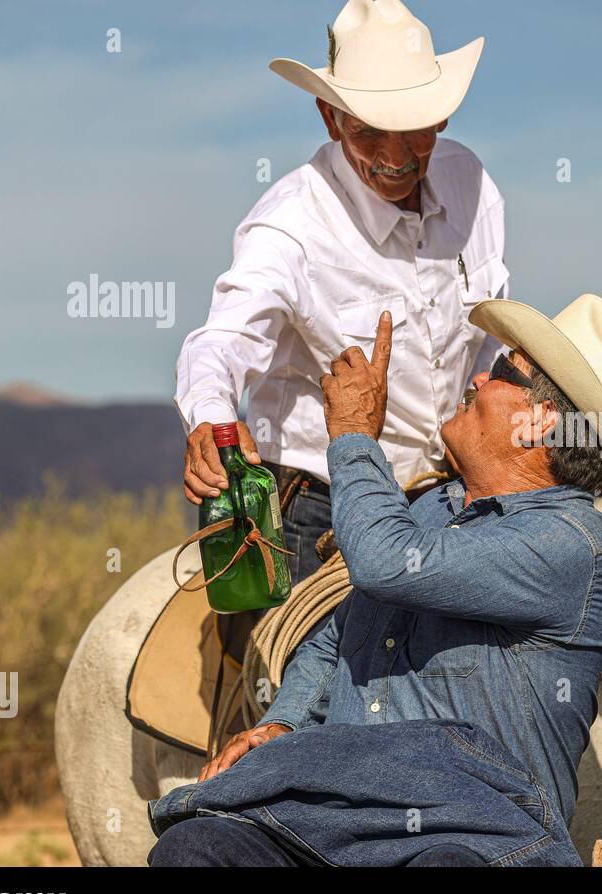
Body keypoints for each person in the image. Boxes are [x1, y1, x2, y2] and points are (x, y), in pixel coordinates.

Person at [148, 294, 602, 866]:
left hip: (470, 832)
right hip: (328, 818)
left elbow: (383, 562)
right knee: (195, 849)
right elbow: (332, 639)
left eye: (500, 370)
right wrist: (283, 723)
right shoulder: (424, 511)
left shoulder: (572, 545)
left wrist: (353, 434)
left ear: (540, 421)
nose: (477, 376)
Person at [175, 0, 506, 584]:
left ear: (443, 118)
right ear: (331, 120)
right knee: (310, 672)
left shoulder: (473, 184)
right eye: (369, 131)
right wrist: (210, 420)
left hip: (451, 499)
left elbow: (489, 336)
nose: (395, 157)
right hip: (319, 512)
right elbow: (221, 342)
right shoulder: (290, 228)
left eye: (414, 129)